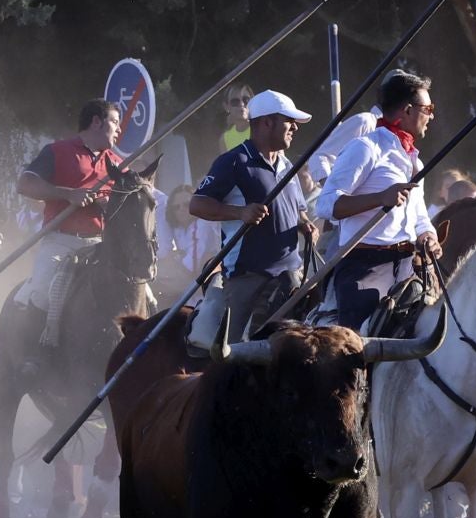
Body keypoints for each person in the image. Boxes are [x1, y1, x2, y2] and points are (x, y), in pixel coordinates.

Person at [187, 90, 314, 350]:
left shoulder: (287, 165)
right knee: (237, 356)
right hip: (248, 279)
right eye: (289, 121)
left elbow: (298, 209)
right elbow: (197, 204)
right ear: (267, 122)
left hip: (292, 276)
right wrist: (240, 212)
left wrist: (304, 224)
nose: (294, 128)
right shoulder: (233, 161)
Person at [314, 71, 438, 332]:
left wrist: (427, 234)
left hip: (407, 267)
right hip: (364, 268)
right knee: (356, 353)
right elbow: (326, 205)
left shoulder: (416, 161)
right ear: (407, 110)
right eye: (428, 108)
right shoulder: (365, 148)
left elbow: (418, 216)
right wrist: (380, 198)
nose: (432, 116)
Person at [17, 99, 122, 356]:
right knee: (42, 290)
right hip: (60, 241)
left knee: (147, 296)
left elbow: (126, 206)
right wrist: (67, 194)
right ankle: (34, 357)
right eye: (115, 122)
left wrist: (108, 204)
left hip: (101, 245)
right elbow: (25, 184)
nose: (119, 130)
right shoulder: (57, 151)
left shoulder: (118, 164)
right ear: (97, 121)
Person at [220, 83, 254, 153]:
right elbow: (227, 163)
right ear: (226, 107)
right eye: (235, 101)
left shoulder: (262, 129)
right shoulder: (225, 139)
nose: (241, 104)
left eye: (246, 100)